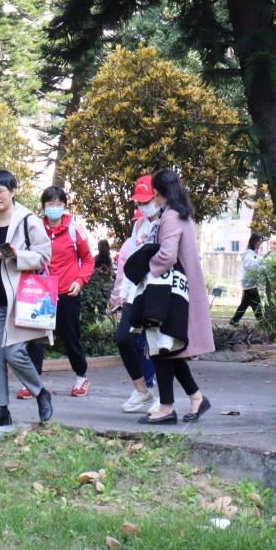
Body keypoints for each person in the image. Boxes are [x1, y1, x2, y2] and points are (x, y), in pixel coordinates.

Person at [0, 169, 55, 428]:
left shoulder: (28, 221)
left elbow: (44, 257)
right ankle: (1, 410)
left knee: (14, 352)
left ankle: (41, 393)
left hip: (20, 301)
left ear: (13, 191)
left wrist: (18, 255)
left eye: (1, 191)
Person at [129, 169, 214, 425]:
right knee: (169, 348)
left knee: (162, 347)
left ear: (157, 192)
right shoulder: (182, 213)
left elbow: (167, 255)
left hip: (169, 294)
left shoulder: (170, 216)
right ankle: (196, 397)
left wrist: (145, 270)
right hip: (181, 291)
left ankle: (167, 408)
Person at [26, 186, 94, 397]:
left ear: (64, 206)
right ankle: (32, 382)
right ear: (43, 206)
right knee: (36, 338)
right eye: (50, 204)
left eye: (59, 204)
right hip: (41, 291)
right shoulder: (35, 229)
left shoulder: (74, 229)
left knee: (70, 336)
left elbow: (88, 260)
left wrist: (80, 281)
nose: (54, 208)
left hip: (67, 291)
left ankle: (81, 377)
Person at [110, 179, 160, 414]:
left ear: (157, 197)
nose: (143, 206)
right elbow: (131, 261)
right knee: (124, 338)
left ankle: (164, 396)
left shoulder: (166, 223)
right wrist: (122, 293)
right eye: (139, 202)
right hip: (136, 291)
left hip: (158, 290)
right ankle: (142, 391)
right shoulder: (139, 225)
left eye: (146, 201)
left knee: (157, 344)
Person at [229, 233, 265, 325]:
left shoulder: (253, 253)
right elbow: (249, 266)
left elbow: (256, 265)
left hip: (250, 283)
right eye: (259, 241)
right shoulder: (249, 254)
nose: (260, 243)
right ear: (254, 242)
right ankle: (262, 322)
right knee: (256, 303)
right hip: (249, 283)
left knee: (245, 304)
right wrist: (260, 261)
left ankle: (234, 321)